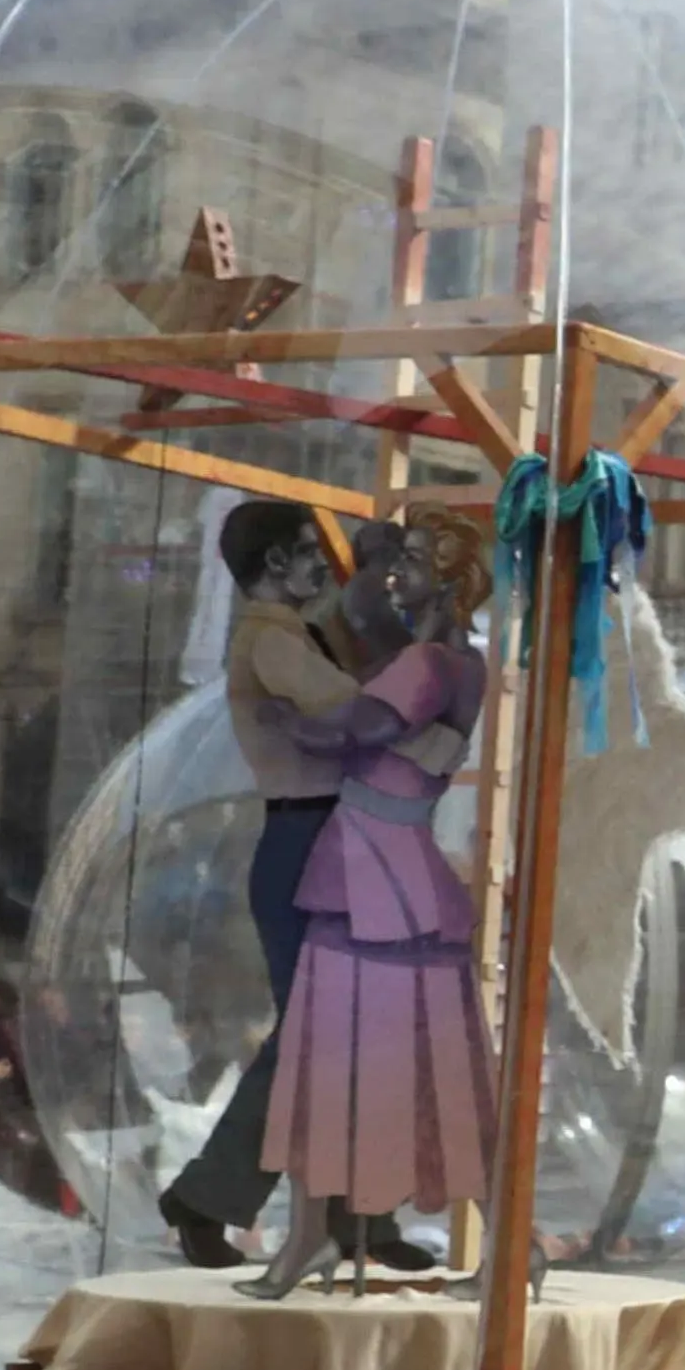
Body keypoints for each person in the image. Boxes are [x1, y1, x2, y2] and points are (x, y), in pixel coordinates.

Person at [162, 502, 434, 1276]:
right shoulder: (272, 641)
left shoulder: (300, 635)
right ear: (276, 561)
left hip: (339, 837)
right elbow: (363, 713)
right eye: (313, 552)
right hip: (311, 839)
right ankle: (212, 1194)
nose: (325, 563)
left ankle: (360, 1216)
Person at [245, 519, 499, 1301]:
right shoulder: (460, 663)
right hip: (391, 865)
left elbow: (358, 724)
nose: (398, 574)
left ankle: (312, 1235)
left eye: (416, 562)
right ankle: (317, 1234)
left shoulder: (427, 664)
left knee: (337, 1065)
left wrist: (283, 713)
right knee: (436, 1072)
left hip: (374, 874)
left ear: (453, 582)